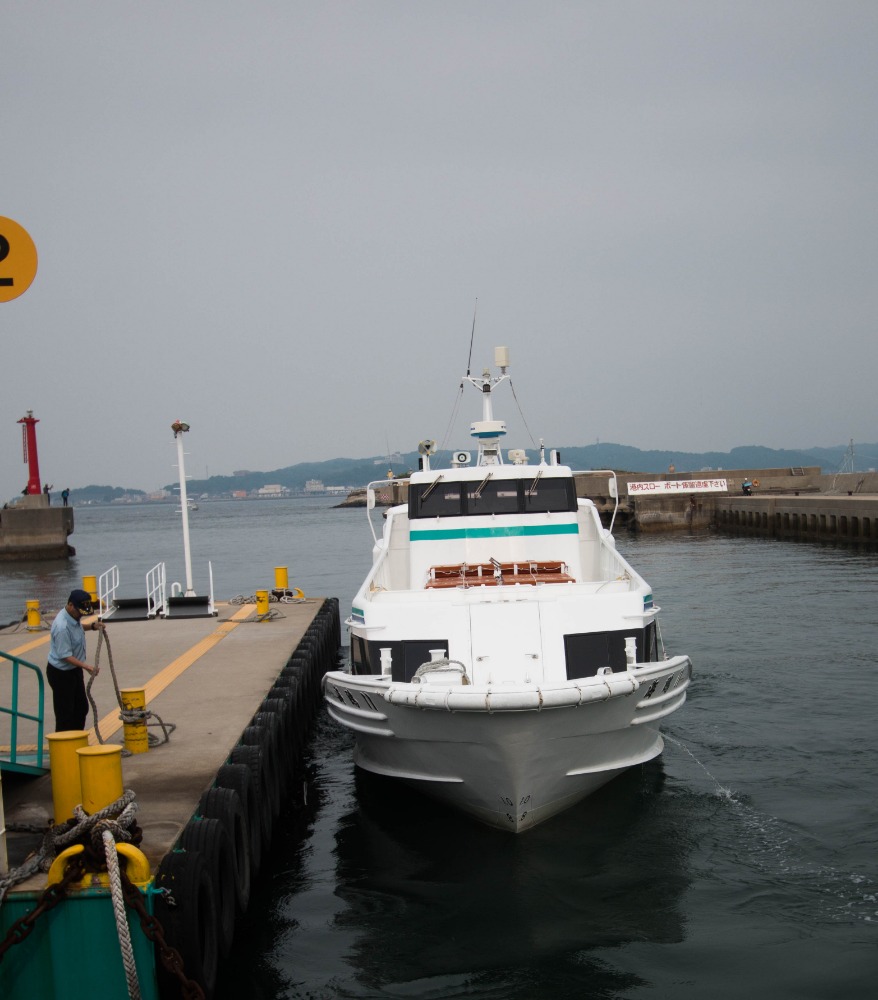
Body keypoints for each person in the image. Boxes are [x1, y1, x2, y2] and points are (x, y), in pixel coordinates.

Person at [46, 589, 105, 732]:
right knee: (65, 713)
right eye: (79, 612)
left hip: (73, 670)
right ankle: (64, 745)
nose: (80, 615)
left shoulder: (73, 617)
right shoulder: (62, 627)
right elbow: (65, 655)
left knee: (81, 708)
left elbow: (77, 627)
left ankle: (77, 738)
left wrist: (92, 626)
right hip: (61, 673)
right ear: (71, 605)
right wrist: (86, 667)